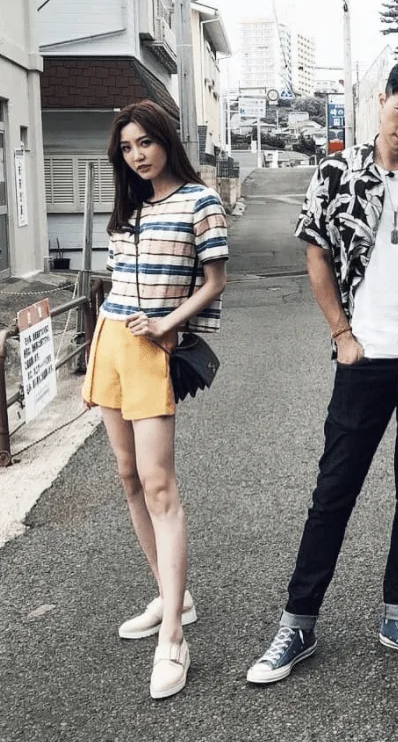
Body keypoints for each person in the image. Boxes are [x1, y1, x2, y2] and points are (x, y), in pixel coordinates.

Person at [247, 57, 398, 684]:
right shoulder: (337, 172)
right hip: (364, 358)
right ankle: (297, 624)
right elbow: (316, 253)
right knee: (334, 492)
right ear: (382, 100)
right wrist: (341, 335)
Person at [82, 100, 229, 699]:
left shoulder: (201, 202)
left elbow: (216, 281)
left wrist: (168, 324)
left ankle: (173, 637)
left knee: (159, 484)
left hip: (151, 348)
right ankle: (175, 597)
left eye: (145, 142)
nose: (137, 155)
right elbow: (116, 284)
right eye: (126, 147)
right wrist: (96, 360)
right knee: (127, 477)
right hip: (111, 342)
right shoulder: (129, 208)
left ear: (166, 139)